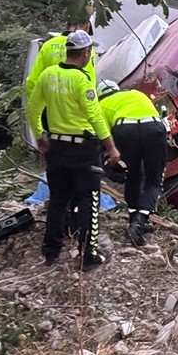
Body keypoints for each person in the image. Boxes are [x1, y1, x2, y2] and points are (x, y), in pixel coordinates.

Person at [26, 30, 120, 271]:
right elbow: (95, 115)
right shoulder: (82, 81)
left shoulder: (47, 75)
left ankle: (51, 253)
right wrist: (111, 147)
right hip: (83, 149)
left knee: (58, 199)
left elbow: (33, 107)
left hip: (56, 147)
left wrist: (40, 136)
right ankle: (88, 255)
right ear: (86, 53)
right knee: (89, 198)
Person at [97, 79, 167, 246]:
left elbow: (102, 138)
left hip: (124, 130)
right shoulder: (136, 93)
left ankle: (134, 219)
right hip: (153, 127)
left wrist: (108, 164)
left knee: (133, 176)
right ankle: (140, 221)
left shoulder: (100, 106)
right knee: (154, 181)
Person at [25, 18, 98, 99]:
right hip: (74, 106)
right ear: (87, 26)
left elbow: (32, 81)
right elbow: (89, 82)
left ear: (66, 25)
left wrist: (39, 107)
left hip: (50, 105)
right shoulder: (86, 50)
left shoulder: (47, 46)